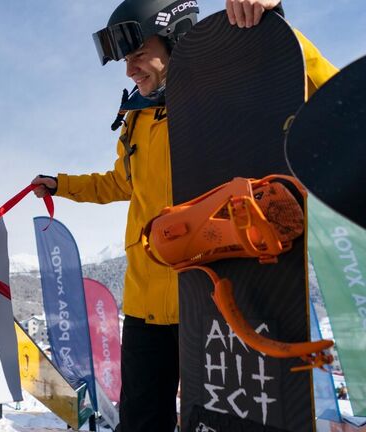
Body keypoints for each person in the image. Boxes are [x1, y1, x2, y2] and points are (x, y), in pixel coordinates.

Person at [31, 1, 337, 430]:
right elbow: (123, 183)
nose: (129, 70)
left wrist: (273, 24)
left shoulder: (228, 89)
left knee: (220, 418)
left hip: (213, 296)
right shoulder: (135, 118)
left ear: (174, 37)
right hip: (144, 303)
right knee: (140, 420)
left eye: (138, 55)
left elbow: (329, 94)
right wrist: (62, 184)